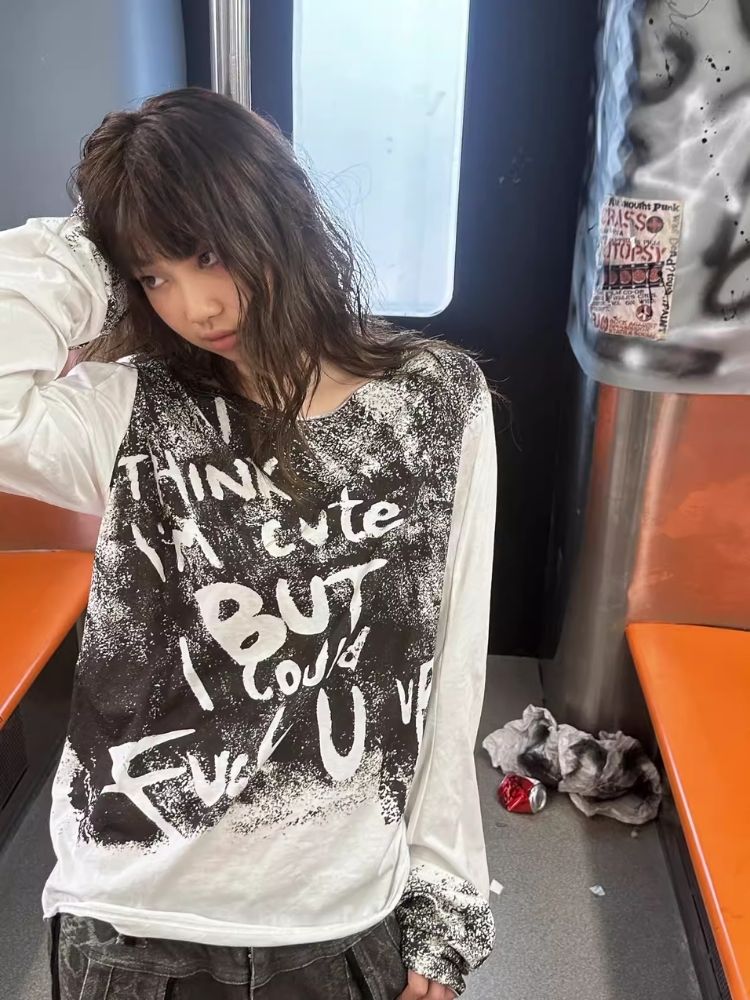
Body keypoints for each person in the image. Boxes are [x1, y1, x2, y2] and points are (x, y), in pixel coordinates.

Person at [0, 88, 498, 999]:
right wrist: (92, 237)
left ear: (276, 210)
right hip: (131, 917)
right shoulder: (133, 407)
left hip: (337, 916)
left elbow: (450, 660)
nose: (194, 305)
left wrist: (448, 886)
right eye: (153, 276)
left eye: (206, 252)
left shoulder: (435, 402)